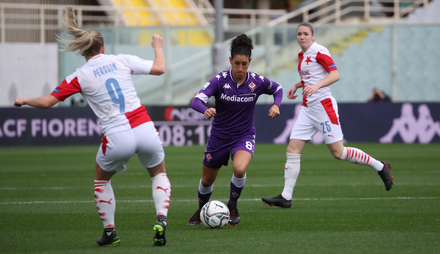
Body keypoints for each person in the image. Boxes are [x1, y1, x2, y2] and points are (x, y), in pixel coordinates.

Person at [13, 7, 171, 247]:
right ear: (103, 48)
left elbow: (47, 102)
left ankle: (110, 232)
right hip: (144, 127)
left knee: (101, 179)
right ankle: (161, 218)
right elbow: (159, 68)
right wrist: (157, 46)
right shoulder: (121, 60)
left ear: (83, 52)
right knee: (159, 173)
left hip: (117, 136)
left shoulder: (79, 75)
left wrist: (24, 100)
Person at [262, 22, 393, 209]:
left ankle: (380, 166)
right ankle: (286, 196)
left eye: (306, 34)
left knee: (338, 152)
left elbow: (335, 75)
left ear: (313, 36)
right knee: (292, 150)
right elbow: (310, 76)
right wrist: (297, 85)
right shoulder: (302, 54)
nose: (302, 37)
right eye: (299, 34)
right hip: (308, 108)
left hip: (323, 107)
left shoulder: (319, 51)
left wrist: (316, 86)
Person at [187, 34, 283, 226]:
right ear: (230, 60)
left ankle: (232, 205)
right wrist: (205, 110)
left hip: (244, 135)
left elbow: (278, 89)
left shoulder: (257, 81)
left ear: (250, 62)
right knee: (207, 181)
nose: (240, 69)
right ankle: (202, 210)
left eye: (244, 64)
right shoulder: (219, 81)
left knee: (239, 169)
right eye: (237, 63)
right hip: (219, 137)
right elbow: (196, 100)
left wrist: (277, 105)